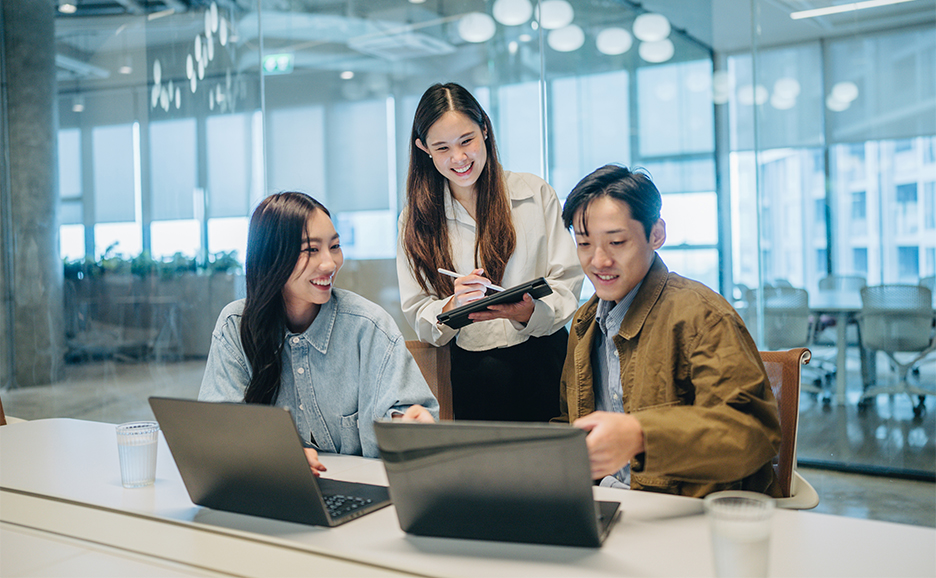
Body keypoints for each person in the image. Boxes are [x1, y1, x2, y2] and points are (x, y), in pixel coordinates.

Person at [557, 164, 782, 498]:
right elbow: (569, 421)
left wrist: (641, 436)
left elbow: (751, 435)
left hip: (682, 514)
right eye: (584, 243)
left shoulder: (701, 315)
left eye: (616, 242)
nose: (598, 260)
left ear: (656, 234)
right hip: (603, 502)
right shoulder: (585, 323)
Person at [200, 192, 438, 474]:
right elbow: (218, 427)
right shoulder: (235, 325)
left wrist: (407, 424)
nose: (330, 263)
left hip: (364, 493)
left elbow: (404, 414)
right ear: (271, 255)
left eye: (335, 246)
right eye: (311, 250)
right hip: (273, 488)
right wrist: (275, 454)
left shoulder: (369, 326)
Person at [397, 82, 583, 422]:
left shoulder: (533, 193)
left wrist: (527, 312)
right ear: (424, 148)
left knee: (555, 470)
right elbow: (417, 307)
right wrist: (453, 305)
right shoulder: (417, 217)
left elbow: (567, 280)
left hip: (544, 358)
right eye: (442, 148)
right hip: (473, 372)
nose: (459, 158)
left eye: (466, 140)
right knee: (484, 474)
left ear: (484, 128)